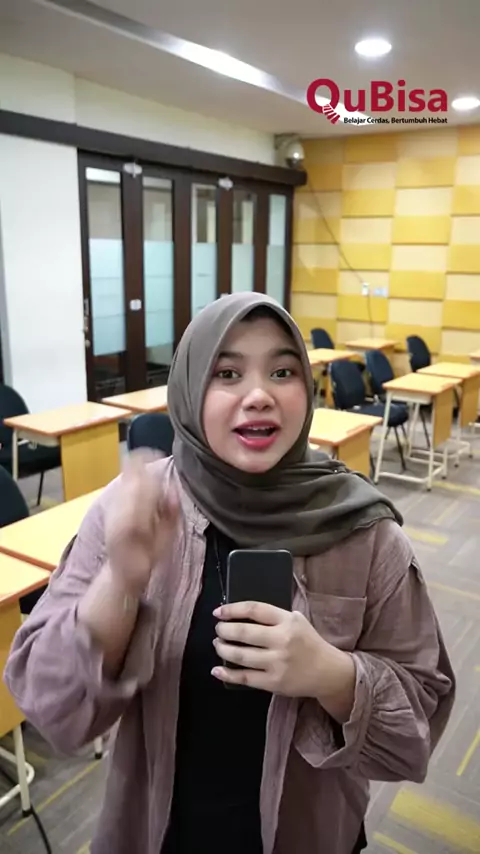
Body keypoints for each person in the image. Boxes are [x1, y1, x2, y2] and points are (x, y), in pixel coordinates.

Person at [4, 293, 455, 854]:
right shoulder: (134, 508)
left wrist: (332, 676)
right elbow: (51, 707)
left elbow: (416, 732)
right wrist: (119, 581)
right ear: (191, 388)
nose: (259, 394)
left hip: (309, 835)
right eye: (228, 373)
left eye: (282, 372)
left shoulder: (363, 530)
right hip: (157, 832)